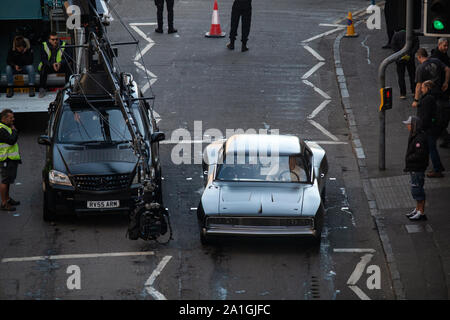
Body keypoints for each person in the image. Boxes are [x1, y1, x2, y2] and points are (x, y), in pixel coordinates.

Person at [416, 80, 445, 178]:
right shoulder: (431, 97)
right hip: (432, 128)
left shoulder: (427, 99)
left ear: (427, 88)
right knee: (431, 148)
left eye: (423, 87)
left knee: (431, 149)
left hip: (429, 129)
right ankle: (436, 167)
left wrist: (420, 128)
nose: (421, 88)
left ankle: (437, 169)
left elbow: (426, 116)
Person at [403, 116, 428, 221]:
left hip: (417, 168)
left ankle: (421, 212)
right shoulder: (415, 135)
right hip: (414, 168)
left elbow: (419, 154)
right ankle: (417, 209)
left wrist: (409, 158)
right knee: (416, 189)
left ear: (414, 126)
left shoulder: (419, 138)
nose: (407, 126)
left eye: (408, 124)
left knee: (417, 190)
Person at [0, 109, 21, 212]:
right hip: (5, 159)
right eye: (11, 118)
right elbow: (11, 140)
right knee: (5, 181)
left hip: (10, 159)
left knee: (8, 180)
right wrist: (14, 130)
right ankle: (4, 203)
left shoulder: (6, 127)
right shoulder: (1, 129)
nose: (13, 119)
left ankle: (7, 199)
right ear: (4, 118)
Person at [430, 38, 450, 148]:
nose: (446, 48)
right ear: (439, 45)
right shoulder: (436, 58)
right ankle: (444, 136)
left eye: (447, 46)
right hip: (439, 91)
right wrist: (446, 83)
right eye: (444, 46)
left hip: (442, 91)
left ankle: (444, 136)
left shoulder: (443, 56)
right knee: (440, 116)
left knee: (442, 116)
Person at [38, 32, 70, 98]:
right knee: (44, 67)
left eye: (56, 39)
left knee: (69, 66)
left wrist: (60, 63)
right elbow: (43, 59)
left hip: (60, 66)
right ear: (49, 40)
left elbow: (67, 58)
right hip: (49, 66)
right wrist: (52, 64)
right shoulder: (44, 45)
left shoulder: (64, 44)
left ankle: (68, 87)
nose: (55, 41)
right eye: (53, 39)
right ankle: (42, 89)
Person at [391, 29, 419, 99]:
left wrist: (400, 54)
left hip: (399, 59)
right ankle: (414, 91)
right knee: (412, 75)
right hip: (410, 58)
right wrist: (410, 54)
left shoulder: (396, 35)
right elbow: (416, 46)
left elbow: (393, 45)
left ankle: (403, 93)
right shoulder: (413, 33)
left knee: (401, 76)